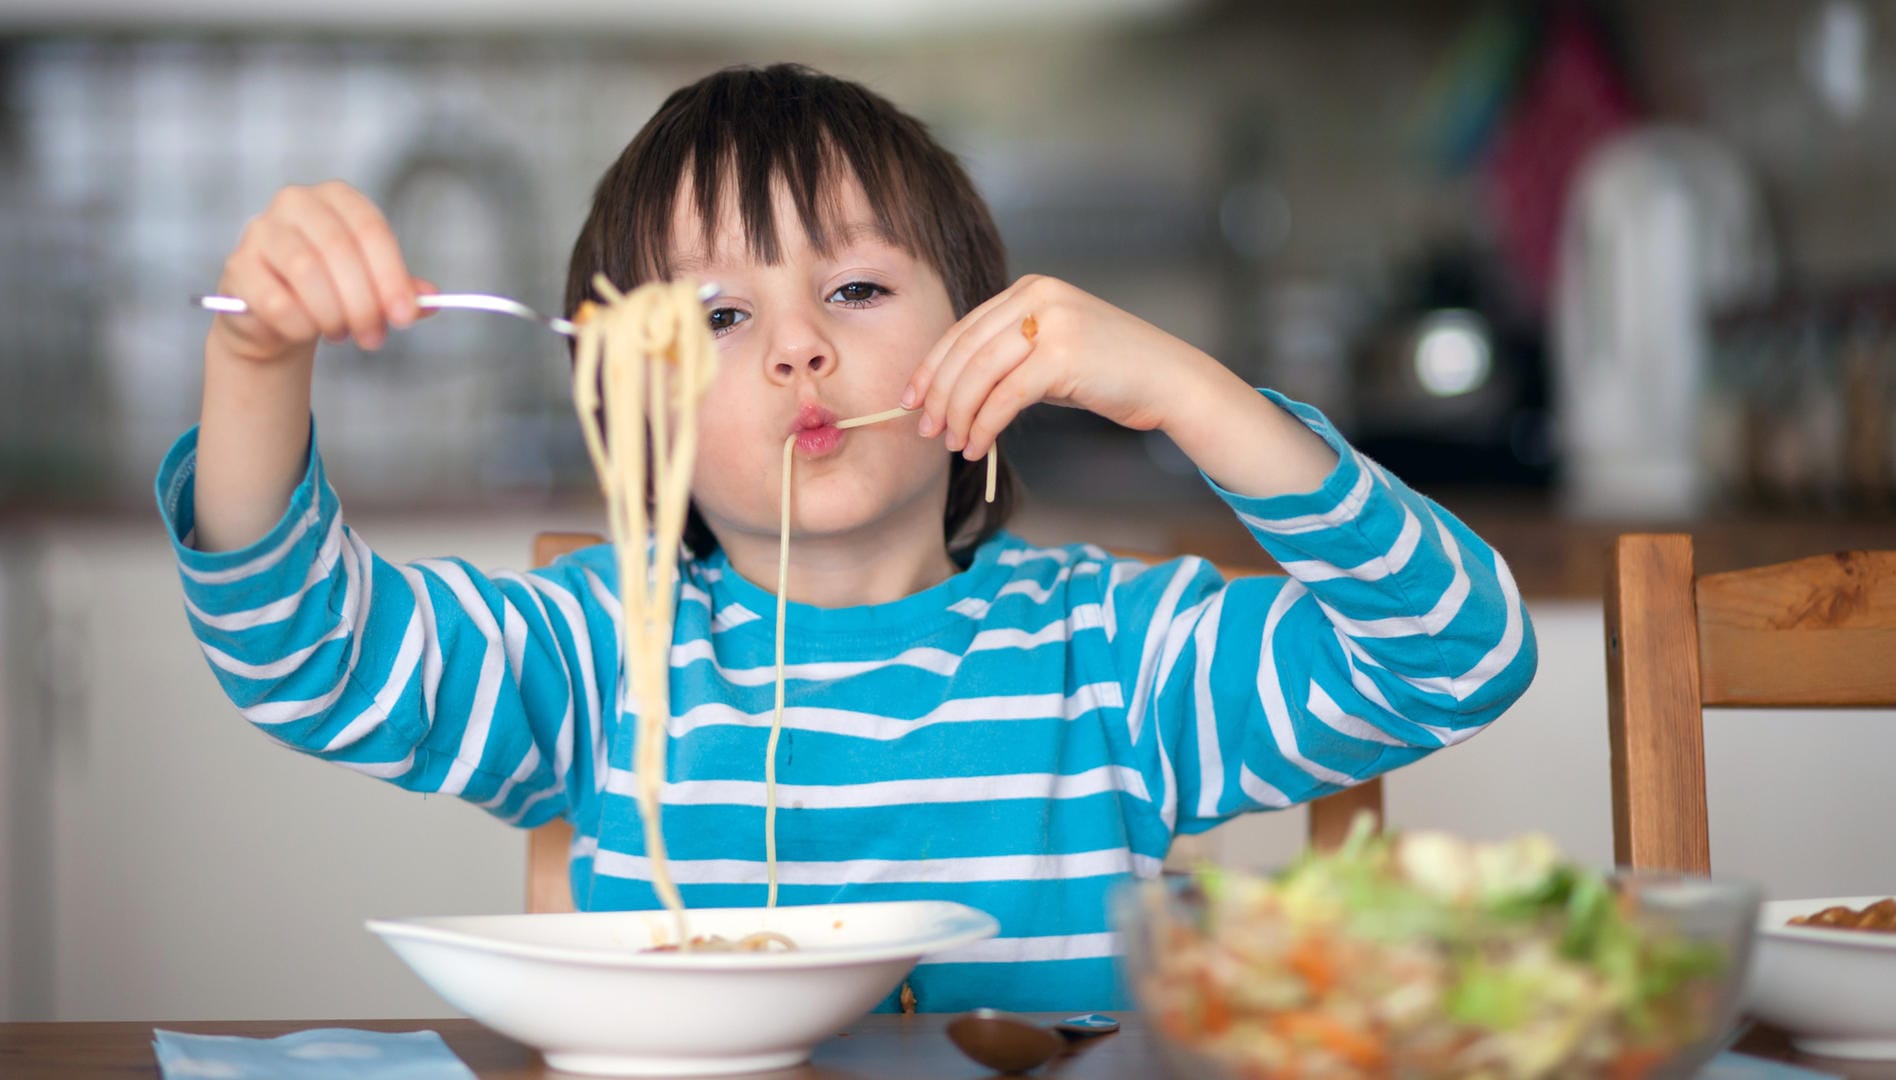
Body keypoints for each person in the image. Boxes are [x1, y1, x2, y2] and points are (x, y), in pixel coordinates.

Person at [157, 63, 1537, 1012]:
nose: (800, 348)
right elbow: (302, 657)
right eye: (717, 317)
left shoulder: (1117, 654)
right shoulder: (590, 650)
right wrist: (263, 365)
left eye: (861, 285)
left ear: (995, 339)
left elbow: (1460, 651)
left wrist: (1188, 391)